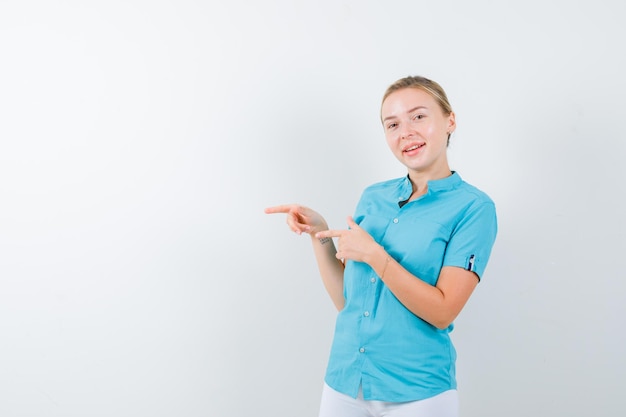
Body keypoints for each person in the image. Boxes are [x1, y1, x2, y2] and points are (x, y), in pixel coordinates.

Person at [265, 75, 497, 417]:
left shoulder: (474, 208)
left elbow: (443, 310)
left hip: (418, 394)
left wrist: (376, 256)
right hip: (344, 384)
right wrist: (319, 231)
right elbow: (347, 300)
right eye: (393, 124)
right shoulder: (373, 197)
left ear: (450, 120)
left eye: (418, 116)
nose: (405, 132)